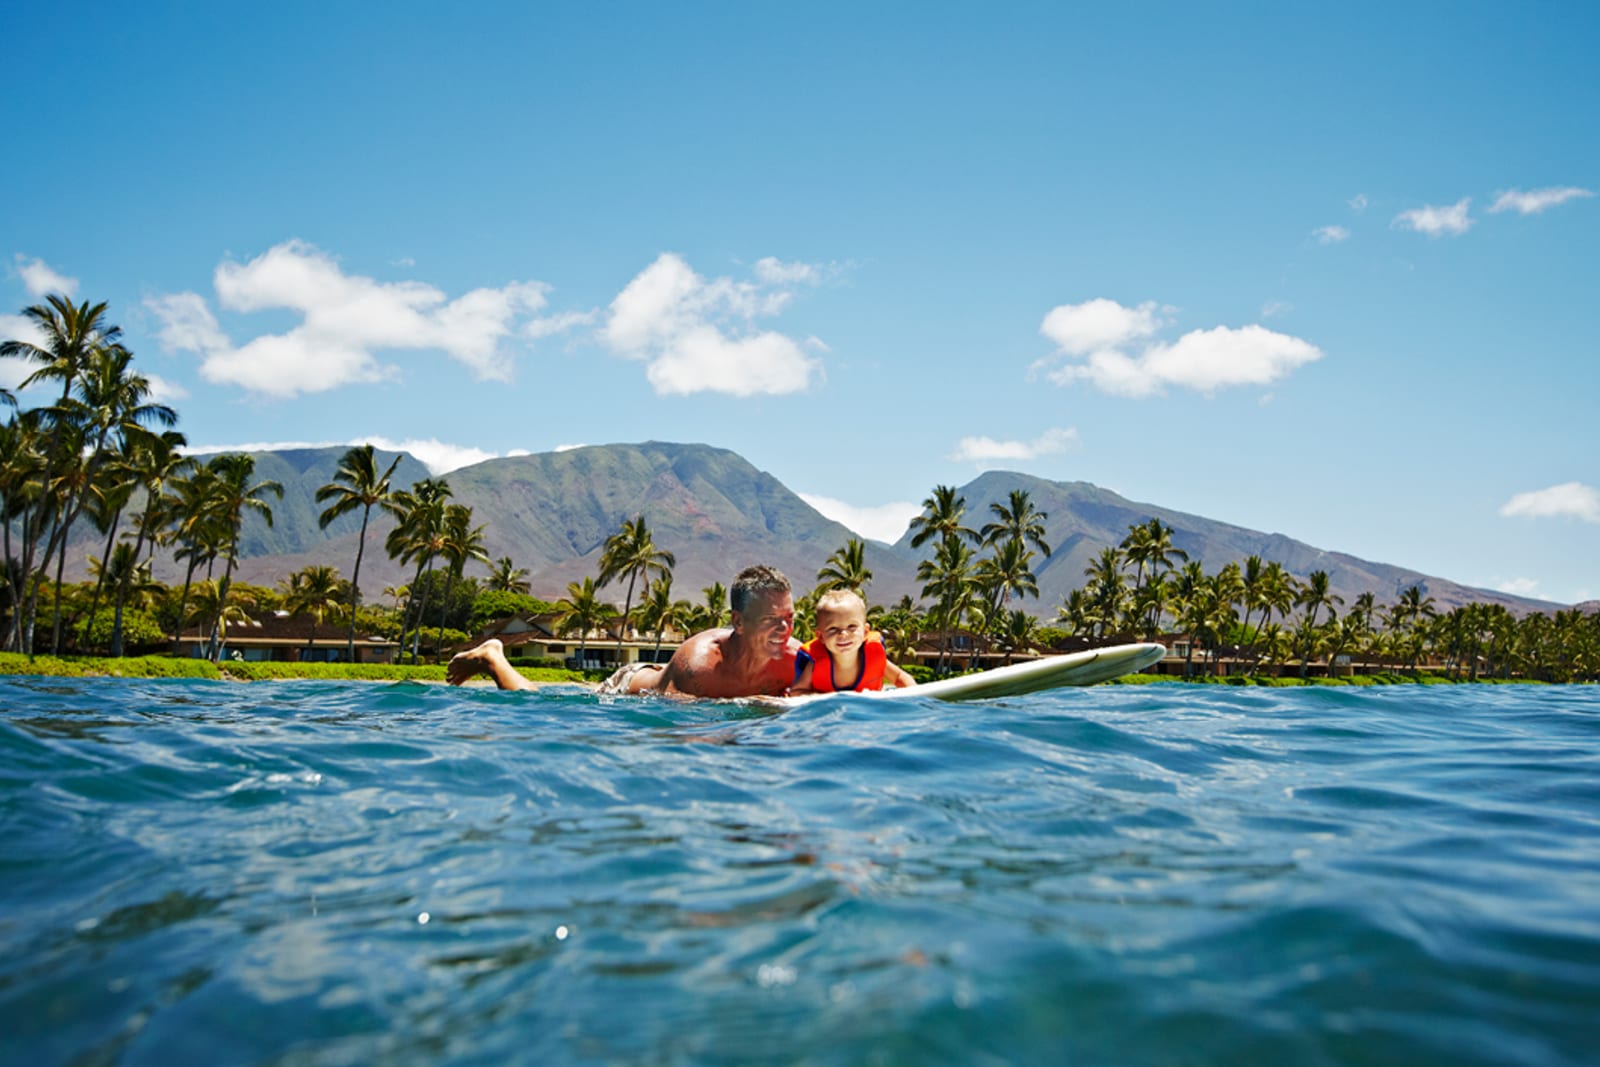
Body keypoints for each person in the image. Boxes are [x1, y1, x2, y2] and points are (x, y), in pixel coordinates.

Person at [447, 564, 801, 699]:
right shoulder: (700, 665)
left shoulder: (797, 659)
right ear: (738, 622)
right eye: (771, 619)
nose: (783, 629)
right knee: (534, 702)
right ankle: (494, 657)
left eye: (789, 617)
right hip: (628, 689)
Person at [789, 588, 917, 694]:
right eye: (833, 629)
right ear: (820, 636)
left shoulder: (874, 657)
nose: (843, 634)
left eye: (852, 627)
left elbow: (900, 677)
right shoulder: (815, 665)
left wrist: (915, 696)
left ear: (865, 631)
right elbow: (797, 692)